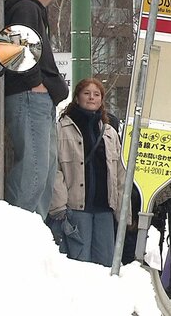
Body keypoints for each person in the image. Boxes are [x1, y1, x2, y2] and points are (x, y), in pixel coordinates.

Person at [4, 0, 69, 219]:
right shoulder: (26, 8)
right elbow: (14, 49)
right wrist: (36, 83)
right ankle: (19, 227)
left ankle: (33, 228)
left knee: (45, 169)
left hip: (38, 98)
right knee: (34, 169)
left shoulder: (31, 9)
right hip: (30, 95)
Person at [48, 78, 126, 267]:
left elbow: (120, 173)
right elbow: (54, 168)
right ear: (77, 98)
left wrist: (124, 212)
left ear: (102, 100)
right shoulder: (61, 129)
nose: (92, 97)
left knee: (105, 265)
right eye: (86, 93)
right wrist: (59, 205)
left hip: (105, 209)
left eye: (96, 94)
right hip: (75, 208)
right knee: (78, 264)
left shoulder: (110, 132)